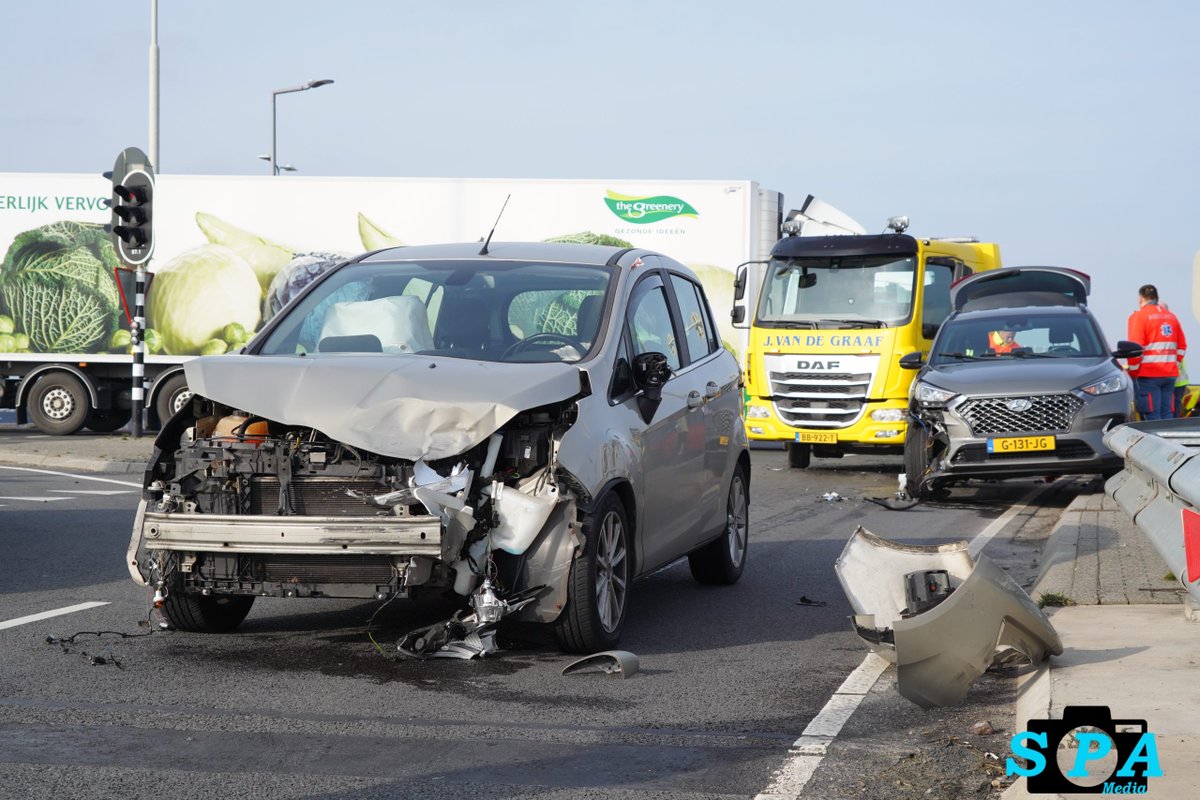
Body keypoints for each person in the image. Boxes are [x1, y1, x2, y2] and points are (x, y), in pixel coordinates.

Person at [1127, 285, 1187, 420]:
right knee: (1167, 415)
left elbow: (1135, 349)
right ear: (1156, 297)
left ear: (1141, 298)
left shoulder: (1139, 317)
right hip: (1169, 375)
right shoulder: (1171, 317)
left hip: (1149, 375)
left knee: (1152, 416)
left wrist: (1133, 372)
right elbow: (1182, 345)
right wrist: (1174, 363)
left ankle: (1155, 441)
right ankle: (1168, 441)